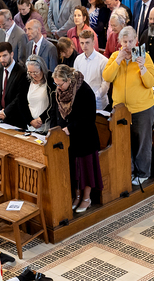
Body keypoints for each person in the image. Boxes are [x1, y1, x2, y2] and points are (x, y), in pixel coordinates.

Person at [104, 27, 154, 185]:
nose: (128, 45)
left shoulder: (145, 57)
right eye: (125, 41)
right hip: (121, 110)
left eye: (130, 41)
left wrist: (142, 67)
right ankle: (129, 171)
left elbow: (151, 82)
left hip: (142, 108)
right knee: (124, 142)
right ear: (120, 42)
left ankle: (143, 173)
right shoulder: (115, 56)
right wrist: (118, 60)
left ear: (136, 41)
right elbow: (107, 76)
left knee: (142, 142)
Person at [53, 64, 103, 213]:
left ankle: (86, 198)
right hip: (68, 139)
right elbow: (58, 112)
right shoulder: (60, 91)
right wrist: (59, 129)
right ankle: (77, 195)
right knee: (74, 170)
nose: (58, 87)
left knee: (85, 170)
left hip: (84, 138)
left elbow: (89, 118)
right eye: (56, 84)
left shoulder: (84, 91)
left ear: (68, 79)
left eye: (60, 84)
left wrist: (70, 128)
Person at [0, 41, 31, 128]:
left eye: (5, 56)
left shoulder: (21, 72)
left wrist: (6, 112)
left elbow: (19, 97)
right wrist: (0, 111)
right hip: (2, 117)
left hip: (16, 119)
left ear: (11, 54)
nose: (2, 59)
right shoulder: (0, 71)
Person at [74, 29, 109, 109]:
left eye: (87, 42)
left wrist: (92, 96)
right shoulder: (78, 59)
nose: (84, 46)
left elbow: (105, 85)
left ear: (93, 42)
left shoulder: (103, 61)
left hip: (98, 103)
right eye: (82, 43)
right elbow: (75, 80)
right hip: (82, 101)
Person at [25, 55, 56, 132]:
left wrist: (42, 118)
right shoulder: (27, 81)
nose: (33, 75)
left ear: (42, 69)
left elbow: (54, 104)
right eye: (30, 72)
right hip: (31, 126)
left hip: (46, 126)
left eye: (36, 72)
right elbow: (22, 102)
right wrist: (30, 120)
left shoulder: (50, 80)